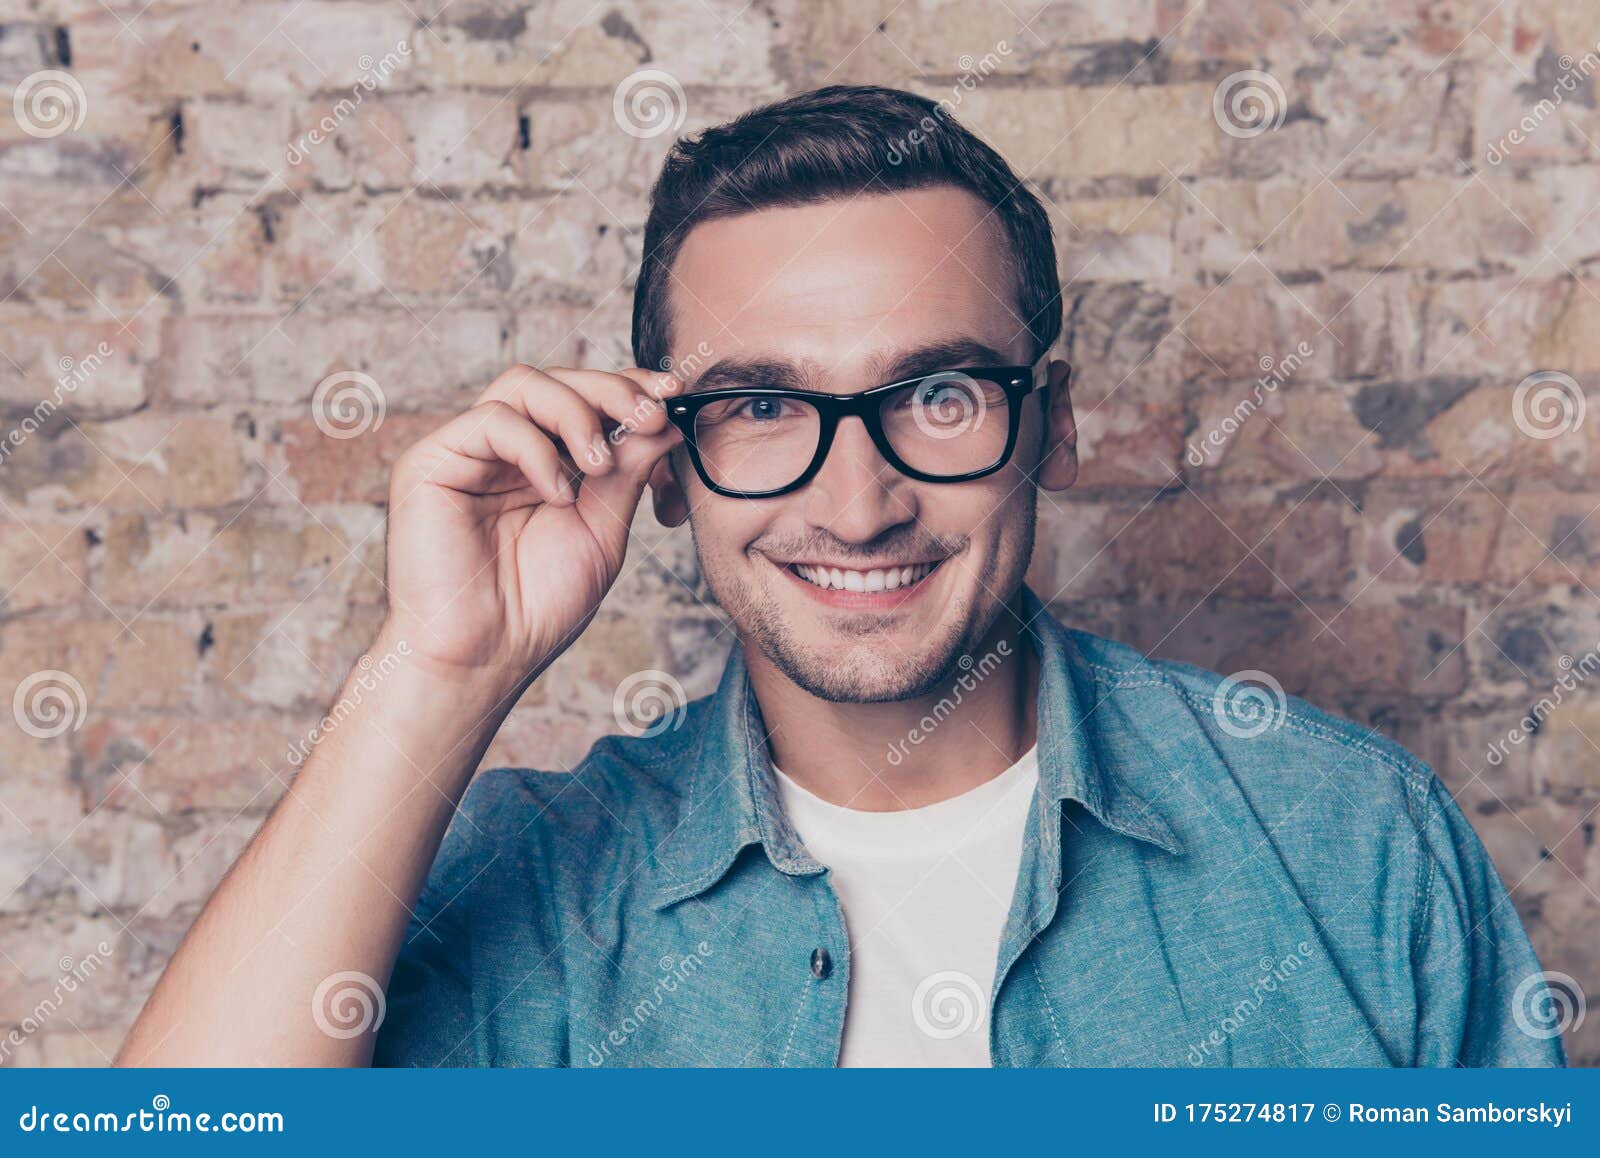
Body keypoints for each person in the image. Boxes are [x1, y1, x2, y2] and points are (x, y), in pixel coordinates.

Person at [117, 84, 1565, 1068]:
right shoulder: (534, 893)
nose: (857, 501)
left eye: (935, 395)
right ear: (668, 464)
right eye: (762, 406)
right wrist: (434, 671)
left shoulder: (1352, 846)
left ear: (1048, 425)